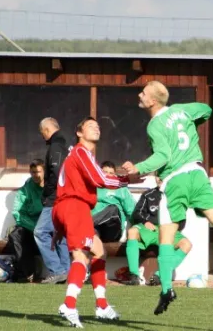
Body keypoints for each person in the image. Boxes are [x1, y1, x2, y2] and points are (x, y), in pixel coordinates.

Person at [122, 80, 213, 315]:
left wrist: (138, 167)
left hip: (175, 179)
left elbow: (163, 156)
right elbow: (207, 110)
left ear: (153, 100)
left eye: (143, 93)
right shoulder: (181, 110)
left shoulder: (155, 125)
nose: (139, 95)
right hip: (197, 172)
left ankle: (166, 290)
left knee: (166, 236)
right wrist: (191, 121)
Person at [53, 116, 142, 328]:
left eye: (98, 126)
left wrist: (59, 226)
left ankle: (102, 305)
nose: (96, 128)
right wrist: (126, 180)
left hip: (70, 208)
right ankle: (69, 304)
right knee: (81, 255)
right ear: (79, 133)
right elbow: (100, 180)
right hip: (74, 206)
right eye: (90, 126)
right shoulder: (81, 152)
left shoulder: (83, 156)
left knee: (99, 250)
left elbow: (71, 183)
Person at [124, 177, 193, 286]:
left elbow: (182, 219)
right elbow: (136, 213)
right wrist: (145, 222)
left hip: (167, 230)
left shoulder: (177, 195)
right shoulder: (148, 194)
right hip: (149, 230)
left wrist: (173, 228)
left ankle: (159, 275)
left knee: (186, 244)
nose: (160, 178)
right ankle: (134, 275)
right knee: (132, 232)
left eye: (164, 175)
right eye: (158, 176)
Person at [34, 117, 71, 284]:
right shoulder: (66, 146)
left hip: (55, 198)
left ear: (47, 130)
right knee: (60, 234)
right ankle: (66, 271)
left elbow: (56, 174)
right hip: (66, 197)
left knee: (40, 232)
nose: (43, 137)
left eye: (42, 133)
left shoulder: (56, 147)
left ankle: (57, 270)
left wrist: (46, 194)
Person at [4, 159, 45, 282]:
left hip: (48, 229)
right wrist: (34, 228)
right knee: (15, 235)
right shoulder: (25, 190)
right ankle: (27, 274)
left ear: (44, 172)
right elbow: (17, 212)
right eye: (33, 172)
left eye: (38, 172)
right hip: (31, 229)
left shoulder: (52, 188)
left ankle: (60, 273)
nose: (36, 175)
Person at [92, 161, 136, 242]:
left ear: (114, 175)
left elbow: (131, 210)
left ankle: (86, 224)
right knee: (93, 233)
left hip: (113, 229)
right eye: (105, 172)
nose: (108, 175)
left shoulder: (121, 189)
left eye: (111, 173)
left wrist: (137, 227)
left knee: (113, 209)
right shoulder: (93, 187)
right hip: (96, 226)